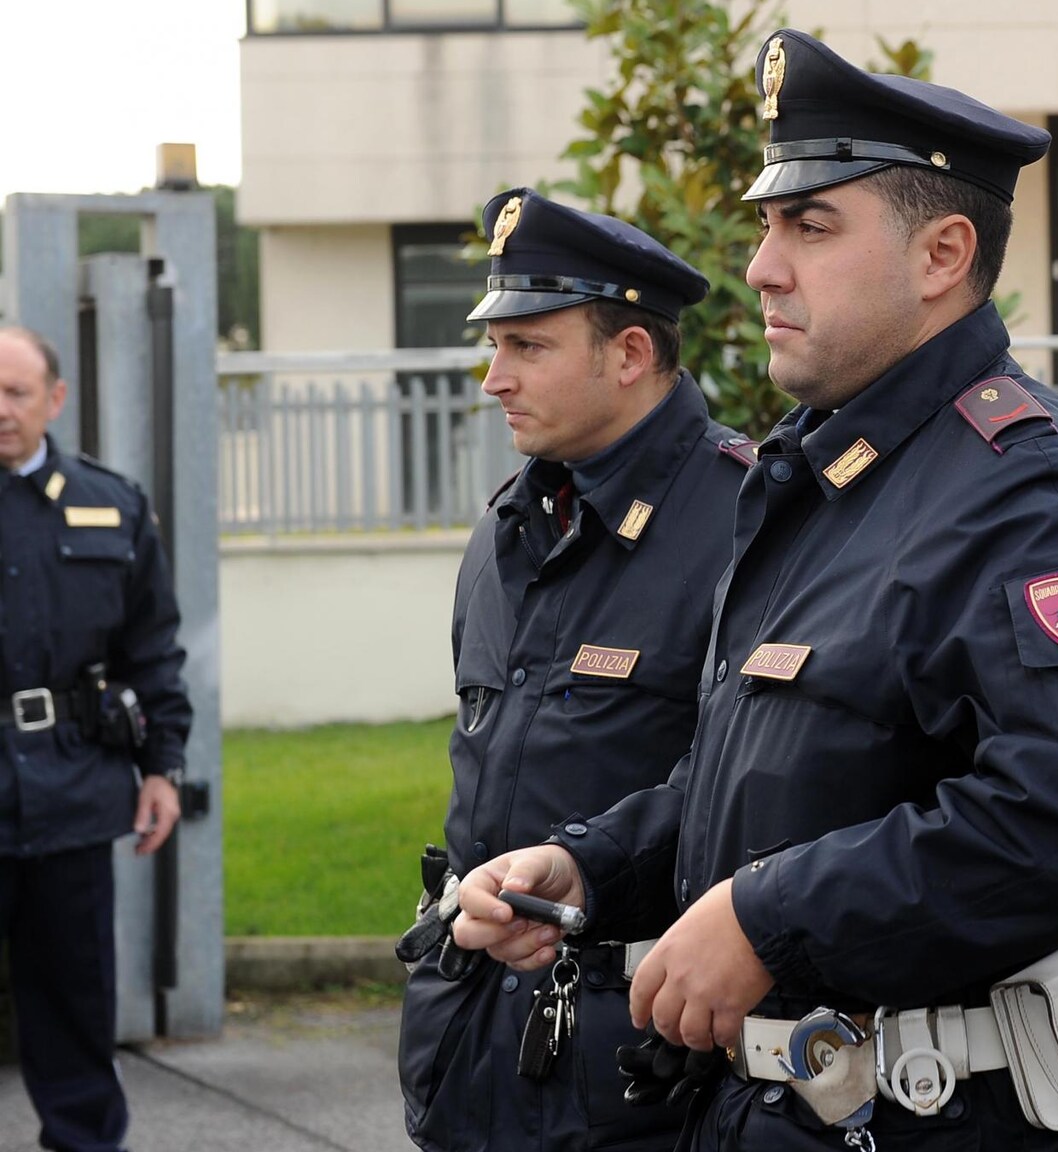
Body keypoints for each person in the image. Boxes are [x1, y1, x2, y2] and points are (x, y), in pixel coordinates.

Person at [454, 30, 1058, 1151]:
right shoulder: (825, 477)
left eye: (811, 225)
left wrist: (768, 917)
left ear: (940, 256)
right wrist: (592, 866)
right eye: (764, 224)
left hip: (947, 1117)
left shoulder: (1032, 492)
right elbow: (758, 778)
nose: (760, 266)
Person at [397, 188, 753, 1152]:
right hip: (471, 1042)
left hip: (635, 1065)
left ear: (631, 353)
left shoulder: (744, 524)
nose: (491, 378)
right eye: (494, 345)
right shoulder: (511, 521)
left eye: (528, 346)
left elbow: (751, 792)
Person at [0, 325, 191, 1152]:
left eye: (15, 391)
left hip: (71, 792)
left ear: (55, 398)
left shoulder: (111, 505)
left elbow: (152, 649)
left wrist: (163, 768)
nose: (0, 409)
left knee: (73, 999)